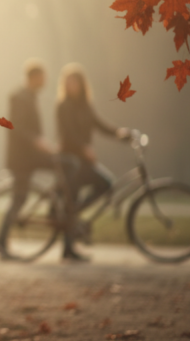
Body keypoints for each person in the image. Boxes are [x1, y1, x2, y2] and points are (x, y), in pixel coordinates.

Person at [55, 63, 129, 262]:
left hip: (83, 161)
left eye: (75, 81)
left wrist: (119, 133)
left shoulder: (85, 105)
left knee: (106, 184)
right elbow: (67, 133)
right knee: (75, 197)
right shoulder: (63, 106)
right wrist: (83, 148)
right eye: (68, 82)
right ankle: (68, 246)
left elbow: (99, 124)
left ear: (81, 83)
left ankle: (74, 215)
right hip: (71, 160)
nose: (72, 85)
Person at [0, 59, 55, 260]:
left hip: (31, 156)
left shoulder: (31, 96)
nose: (44, 82)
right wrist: (36, 140)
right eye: (42, 78)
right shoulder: (18, 97)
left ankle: (58, 209)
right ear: (33, 77)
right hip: (21, 158)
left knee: (64, 166)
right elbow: (16, 127)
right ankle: (0, 243)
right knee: (19, 198)